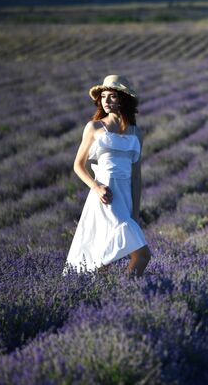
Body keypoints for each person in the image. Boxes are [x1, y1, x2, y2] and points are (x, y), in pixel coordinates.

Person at [63, 75, 151, 277]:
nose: (106, 101)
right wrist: (96, 187)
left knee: (107, 254)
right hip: (106, 195)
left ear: (123, 99)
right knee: (141, 254)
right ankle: (121, 294)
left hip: (125, 197)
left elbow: (136, 177)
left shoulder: (137, 133)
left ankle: (112, 295)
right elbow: (78, 165)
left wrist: (135, 213)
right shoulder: (94, 127)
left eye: (112, 97)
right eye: (103, 97)